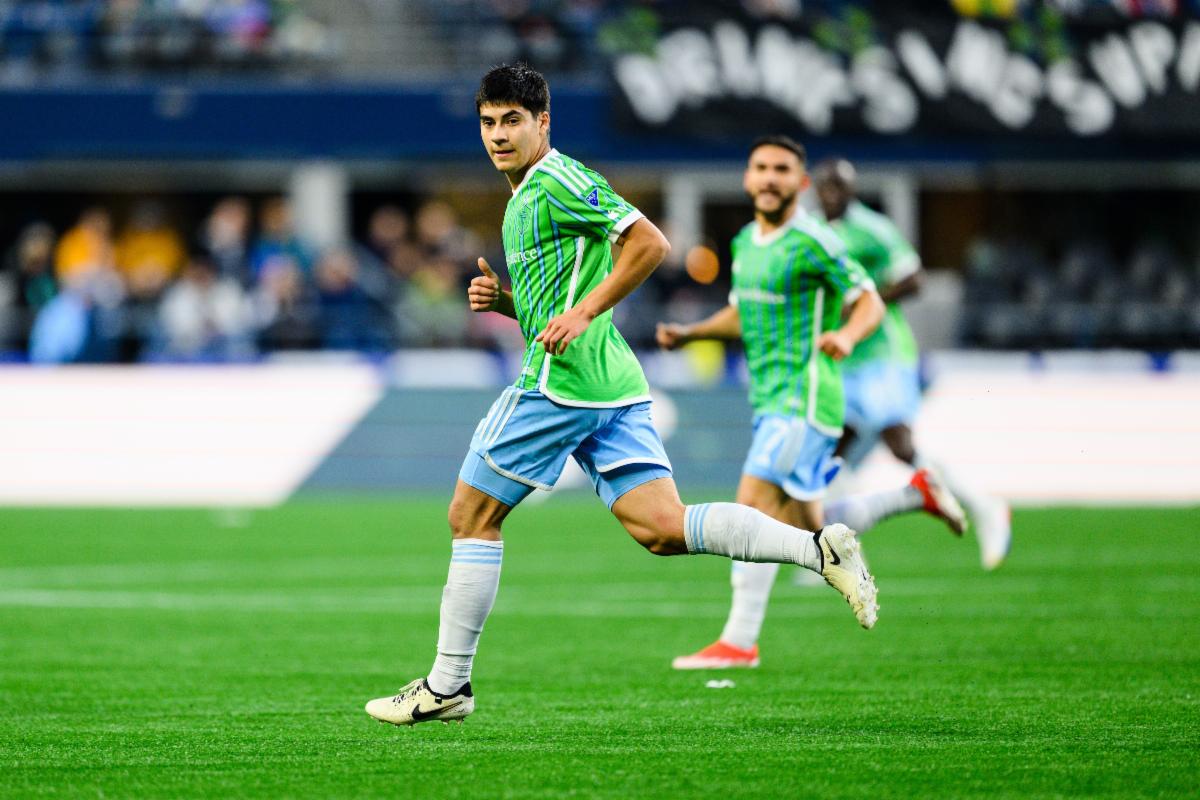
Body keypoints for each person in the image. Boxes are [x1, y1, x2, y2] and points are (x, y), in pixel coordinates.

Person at [364, 65, 879, 727]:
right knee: (663, 529)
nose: (498, 135)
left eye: (512, 121)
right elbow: (560, 302)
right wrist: (508, 304)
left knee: (470, 516)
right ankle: (819, 549)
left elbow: (649, 244)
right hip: (611, 385)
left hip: (560, 385)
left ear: (543, 122)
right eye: (488, 122)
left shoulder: (556, 180)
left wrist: (582, 313)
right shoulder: (527, 194)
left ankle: (447, 685)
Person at [655, 136, 965, 671]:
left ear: (799, 184)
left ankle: (739, 641)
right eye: (761, 167)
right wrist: (692, 333)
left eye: (782, 169)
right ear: (748, 178)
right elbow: (743, 313)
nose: (769, 177)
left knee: (751, 509)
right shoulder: (746, 241)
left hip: (805, 398)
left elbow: (869, 301)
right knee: (804, 525)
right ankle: (914, 494)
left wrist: (846, 335)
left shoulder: (815, 240)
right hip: (771, 400)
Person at [812, 158, 1011, 571]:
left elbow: (913, 277)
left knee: (899, 444)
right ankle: (838, 548)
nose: (830, 194)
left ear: (851, 191)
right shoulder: (813, 230)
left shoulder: (872, 229)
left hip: (881, 353)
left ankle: (983, 505)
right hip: (842, 354)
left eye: (838, 187)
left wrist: (868, 303)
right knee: (829, 451)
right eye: (825, 187)